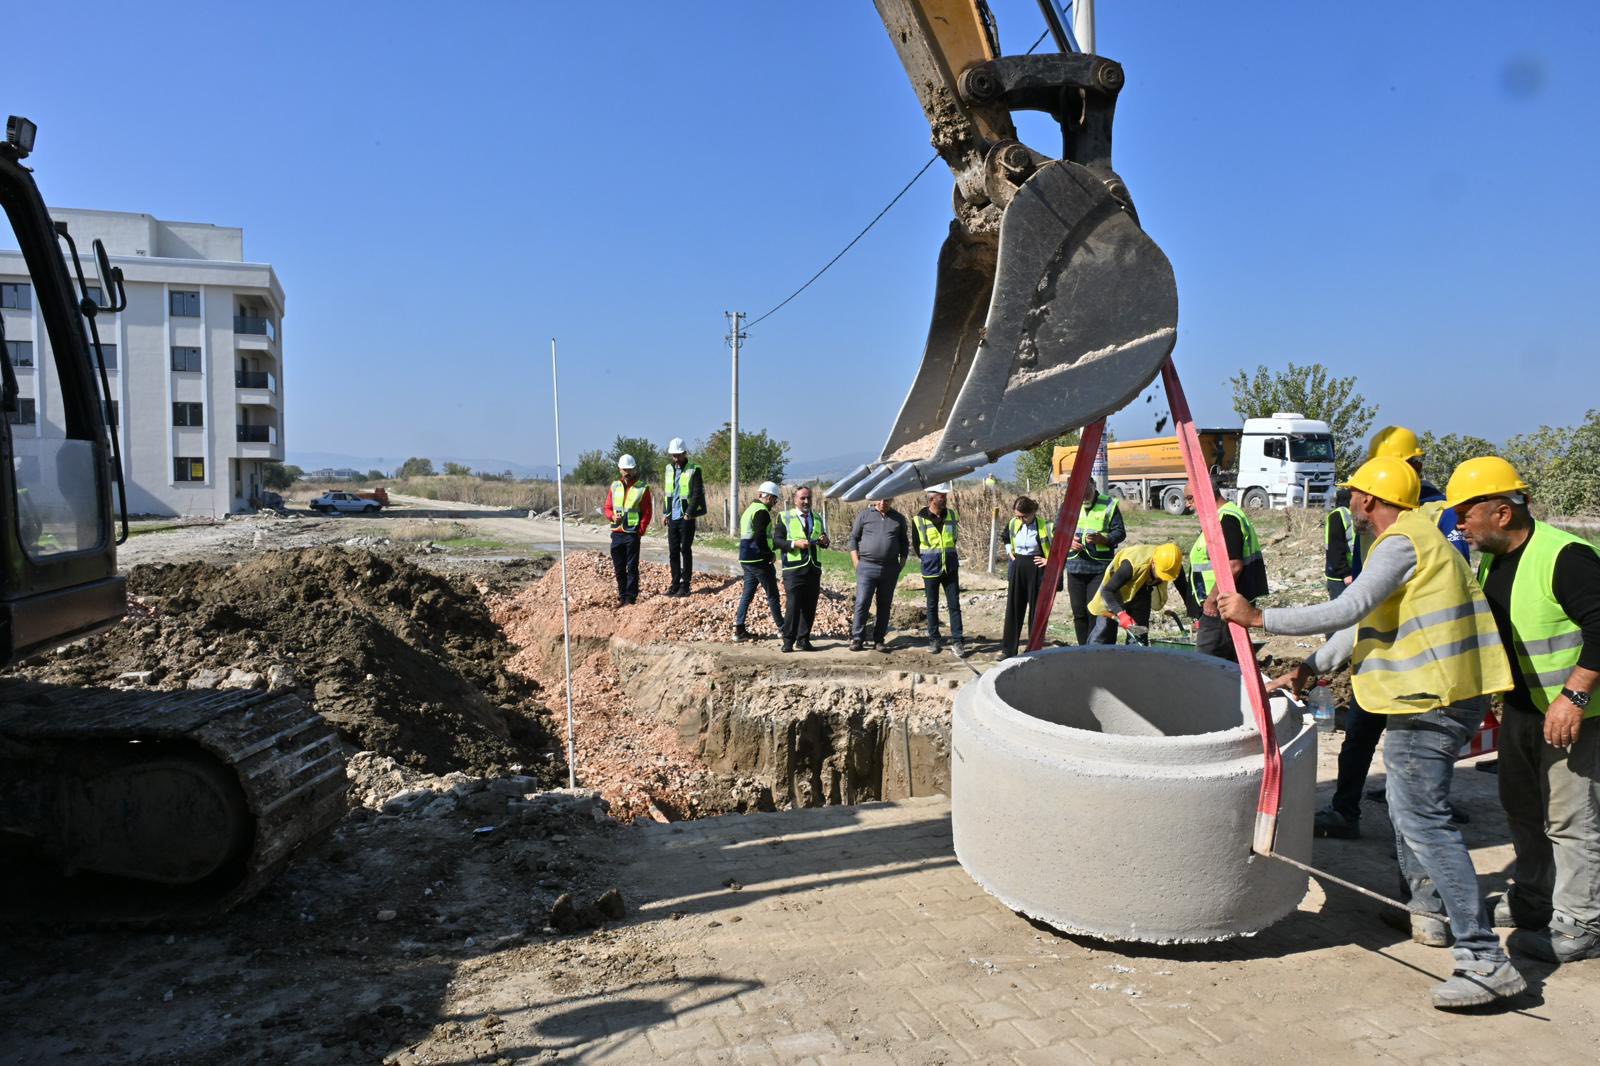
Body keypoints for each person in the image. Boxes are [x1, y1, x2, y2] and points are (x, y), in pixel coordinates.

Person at [1217, 456, 1523, 1010]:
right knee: (1411, 812)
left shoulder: (1403, 541)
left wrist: (1258, 618)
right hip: (1434, 696)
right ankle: (1426, 911)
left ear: (1368, 500)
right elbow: (1362, 624)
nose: (1351, 502)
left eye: (1355, 494)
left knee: (1423, 821)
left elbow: (1348, 605)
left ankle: (1484, 959)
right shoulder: (1415, 542)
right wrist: (1311, 667)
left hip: (1433, 699)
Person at [1447, 456, 1600, 965]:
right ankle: (1534, 903)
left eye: (1466, 513)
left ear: (1502, 513)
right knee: (1524, 811)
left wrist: (1574, 696)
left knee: (1571, 820)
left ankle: (1580, 924)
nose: (1459, 524)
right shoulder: (1492, 557)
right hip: (1523, 710)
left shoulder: (1565, 557)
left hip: (1578, 715)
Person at [1320, 427, 1469, 840]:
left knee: (1419, 755)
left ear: (1415, 469)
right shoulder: (1371, 516)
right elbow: (1362, 581)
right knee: (1361, 731)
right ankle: (1344, 809)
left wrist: (1262, 618)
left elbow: (1447, 584)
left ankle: (1422, 836)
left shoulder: (1442, 512)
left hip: (1421, 657)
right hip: (1380, 648)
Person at [1185, 480, 1267, 662]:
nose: (1188, 505)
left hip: (1220, 606)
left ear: (1205, 493)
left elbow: (1233, 565)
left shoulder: (1226, 519)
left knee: (1205, 665)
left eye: (1190, 498)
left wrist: (1212, 599)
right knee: (1228, 663)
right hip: (1225, 605)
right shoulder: (1223, 517)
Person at [1086, 542, 1184, 645]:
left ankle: (1135, 657)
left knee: (1139, 634)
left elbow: (1184, 589)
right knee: (1104, 633)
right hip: (1116, 590)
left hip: (1143, 589)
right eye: (1161, 574)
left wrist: (1195, 617)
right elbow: (1107, 591)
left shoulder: (1173, 566)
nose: (1161, 579)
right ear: (1153, 563)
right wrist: (1121, 614)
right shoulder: (1131, 565)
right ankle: (1095, 656)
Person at [846, 497, 910, 652]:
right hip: (866, 567)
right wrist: (857, 563)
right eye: (880, 499)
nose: (883, 502)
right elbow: (853, 539)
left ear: (893, 499)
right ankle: (857, 638)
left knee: (884, 605)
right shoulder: (864, 515)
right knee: (862, 602)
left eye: (887, 500)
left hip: (889, 569)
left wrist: (900, 566)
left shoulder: (899, 519)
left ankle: (879, 640)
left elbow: (904, 543)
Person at [1064, 487, 1126, 645]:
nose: (1084, 497)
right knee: (1079, 612)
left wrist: (1103, 539)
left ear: (1092, 486)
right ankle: (1083, 648)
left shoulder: (1109, 504)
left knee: (1095, 611)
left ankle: (1093, 648)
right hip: (1075, 566)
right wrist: (1068, 541)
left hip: (1099, 567)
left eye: (1087, 493)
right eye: (1080, 494)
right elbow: (1058, 530)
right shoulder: (1069, 503)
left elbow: (1120, 532)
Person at [772, 485, 829, 653]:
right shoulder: (784, 516)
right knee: (793, 604)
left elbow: (823, 539)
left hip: (813, 567)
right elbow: (776, 541)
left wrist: (825, 541)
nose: (806, 501)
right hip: (793, 568)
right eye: (802, 498)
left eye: (808, 498)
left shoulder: (817, 517)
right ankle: (788, 640)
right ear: (795, 499)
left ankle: (803, 640)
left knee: (810, 605)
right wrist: (794, 544)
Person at [912, 484, 964, 656]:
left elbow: (954, 538)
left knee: (954, 605)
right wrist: (928, 558)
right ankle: (934, 640)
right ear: (932, 498)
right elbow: (917, 545)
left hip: (950, 567)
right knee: (932, 605)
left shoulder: (952, 515)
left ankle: (958, 641)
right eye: (942, 496)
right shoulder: (918, 519)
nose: (945, 498)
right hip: (931, 568)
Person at [734, 481, 786, 642]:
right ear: (769, 497)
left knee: (747, 595)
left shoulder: (750, 509)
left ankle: (739, 630)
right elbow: (759, 537)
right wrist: (768, 554)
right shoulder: (762, 512)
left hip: (745, 558)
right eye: (774, 500)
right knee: (773, 595)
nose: (774, 503)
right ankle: (783, 628)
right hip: (758, 559)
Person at [1000, 496, 1052, 658]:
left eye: (1024, 516)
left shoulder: (1045, 526)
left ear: (1033, 512)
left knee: (1036, 610)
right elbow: (1005, 536)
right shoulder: (1014, 523)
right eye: (1018, 516)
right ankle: (1008, 650)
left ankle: (1034, 649)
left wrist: (1048, 560)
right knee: (1013, 609)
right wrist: (1009, 550)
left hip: (1036, 567)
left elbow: (1060, 546)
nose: (1021, 520)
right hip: (1018, 564)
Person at [603, 454, 651, 606]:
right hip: (617, 533)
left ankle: (631, 598)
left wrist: (641, 530)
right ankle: (622, 595)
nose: (627, 472)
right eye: (625, 469)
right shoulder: (614, 486)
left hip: (632, 533)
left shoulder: (642, 488)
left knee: (631, 567)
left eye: (630, 469)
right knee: (618, 567)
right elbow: (608, 508)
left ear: (634, 469)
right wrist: (611, 517)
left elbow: (647, 511)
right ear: (620, 469)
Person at [662, 438, 707, 597]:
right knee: (673, 551)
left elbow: (696, 494)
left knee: (685, 549)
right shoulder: (669, 469)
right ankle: (675, 584)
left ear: (684, 453)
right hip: (672, 516)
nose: (676, 459)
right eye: (673, 456)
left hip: (686, 517)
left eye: (678, 455)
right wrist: (665, 513)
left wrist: (689, 513)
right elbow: (667, 493)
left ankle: (685, 585)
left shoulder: (694, 470)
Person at [1325, 487, 1355, 599]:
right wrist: (1345, 573)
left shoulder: (1353, 514)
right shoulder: (1338, 515)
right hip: (1340, 578)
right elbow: (1335, 548)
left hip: (1353, 573)